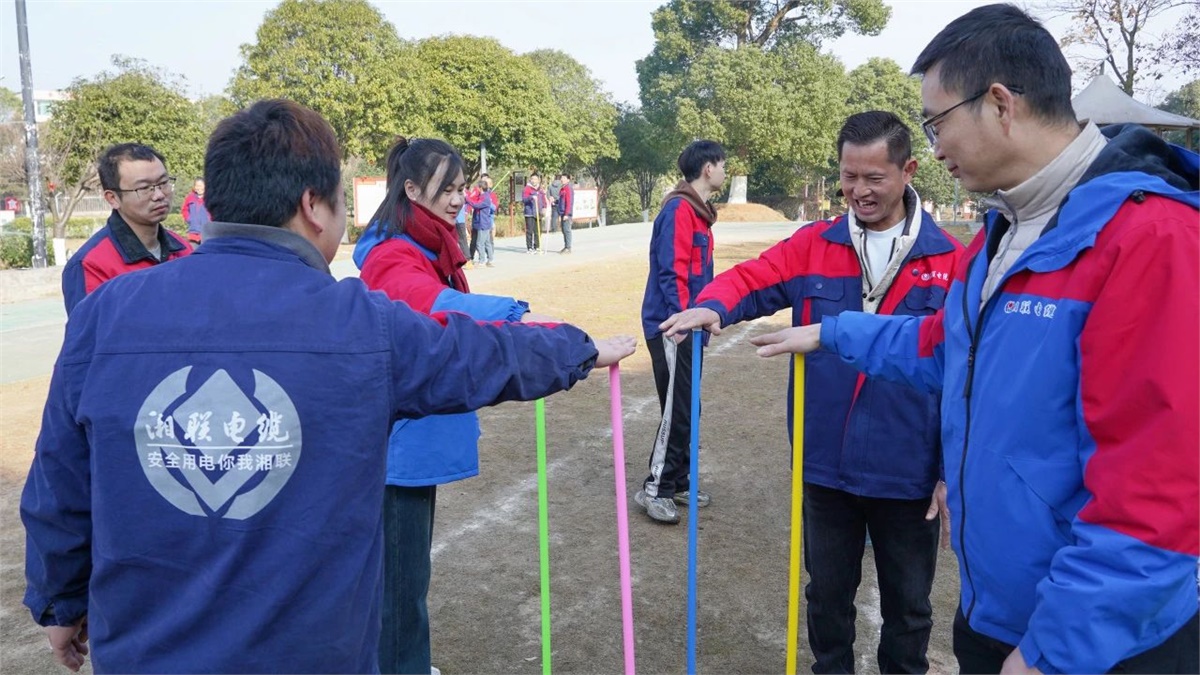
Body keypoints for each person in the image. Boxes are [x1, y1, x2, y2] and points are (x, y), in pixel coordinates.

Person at [21, 99, 636, 674]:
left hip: (144, 648)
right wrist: (579, 348)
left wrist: (60, 600)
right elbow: (477, 354)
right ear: (315, 205)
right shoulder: (361, 321)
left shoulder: (107, 312)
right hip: (314, 652)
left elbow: (60, 479)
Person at [742, 5, 1199, 673]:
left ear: (1000, 103)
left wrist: (1052, 651)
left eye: (936, 124)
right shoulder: (1003, 233)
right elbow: (946, 346)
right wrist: (832, 331)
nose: (932, 149)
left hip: (1096, 645)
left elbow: (1160, 492)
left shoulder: (1151, 239)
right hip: (997, 615)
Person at [662, 112, 963, 672]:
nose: (859, 191)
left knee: (910, 610)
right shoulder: (812, 244)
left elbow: (961, 374)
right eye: (849, 176)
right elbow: (752, 278)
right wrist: (713, 303)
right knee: (826, 597)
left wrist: (947, 469)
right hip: (823, 463)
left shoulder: (950, 260)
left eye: (874, 177)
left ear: (908, 169)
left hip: (909, 470)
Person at [353, 137, 572, 674]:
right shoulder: (392, 254)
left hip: (411, 443)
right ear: (410, 189)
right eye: (446, 188)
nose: (458, 199)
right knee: (400, 594)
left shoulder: (427, 244)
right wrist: (516, 316)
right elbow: (435, 306)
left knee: (406, 583)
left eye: (461, 187)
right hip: (396, 449)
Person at [635, 139, 726, 524]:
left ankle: (679, 480)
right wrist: (682, 322)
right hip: (674, 326)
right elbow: (672, 272)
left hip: (690, 324)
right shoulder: (678, 210)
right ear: (707, 168)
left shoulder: (699, 212)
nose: (725, 171)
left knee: (689, 407)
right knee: (679, 408)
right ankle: (655, 488)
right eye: (722, 165)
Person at [61, 143, 190, 314]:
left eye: (163, 183)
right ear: (112, 198)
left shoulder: (183, 250)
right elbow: (90, 335)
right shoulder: (91, 264)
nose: (159, 195)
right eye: (144, 188)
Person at [466, 174, 499, 267]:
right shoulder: (483, 196)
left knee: (480, 243)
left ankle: (482, 260)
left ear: (480, 188)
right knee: (487, 241)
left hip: (483, 223)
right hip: (480, 222)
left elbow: (476, 205)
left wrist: (467, 199)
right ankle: (489, 259)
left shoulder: (486, 198)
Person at [180, 177, 211, 246]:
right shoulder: (190, 197)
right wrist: (189, 218)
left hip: (206, 234)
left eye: (201, 185)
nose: (199, 188)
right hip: (193, 233)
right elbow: (184, 209)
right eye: (197, 186)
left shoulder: (210, 197)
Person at [522, 173, 547, 252]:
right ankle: (529, 247)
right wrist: (531, 197)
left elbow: (543, 199)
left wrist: (544, 207)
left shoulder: (540, 189)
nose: (534, 181)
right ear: (530, 179)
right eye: (532, 179)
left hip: (538, 212)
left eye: (535, 179)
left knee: (538, 230)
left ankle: (537, 246)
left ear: (538, 180)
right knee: (529, 230)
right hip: (529, 212)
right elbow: (524, 199)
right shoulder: (527, 188)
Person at [557, 173, 574, 254]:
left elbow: (569, 202)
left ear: (568, 180)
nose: (562, 179)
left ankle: (568, 247)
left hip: (567, 213)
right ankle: (566, 246)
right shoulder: (562, 188)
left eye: (564, 178)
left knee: (567, 230)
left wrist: (567, 214)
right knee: (564, 230)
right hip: (562, 212)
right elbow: (561, 202)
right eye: (561, 178)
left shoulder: (568, 188)